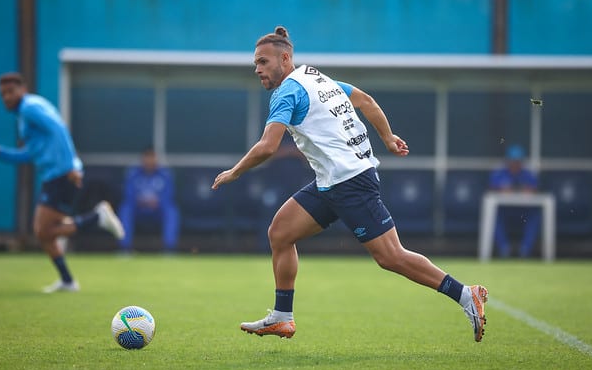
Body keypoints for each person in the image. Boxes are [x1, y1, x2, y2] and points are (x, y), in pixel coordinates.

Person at [212, 26, 489, 342]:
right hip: (332, 182)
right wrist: (387, 138)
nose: (258, 70)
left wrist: (235, 172)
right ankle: (282, 317)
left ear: (285, 58)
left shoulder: (287, 91)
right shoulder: (318, 79)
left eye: (263, 62)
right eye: (256, 64)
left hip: (351, 182)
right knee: (280, 233)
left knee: (391, 257)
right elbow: (366, 101)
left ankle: (467, 294)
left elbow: (268, 146)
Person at [0, 72, 125, 293]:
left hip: (62, 174)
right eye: (3, 94)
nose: (6, 97)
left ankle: (96, 218)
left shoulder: (30, 107)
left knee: (43, 231)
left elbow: (59, 130)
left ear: (23, 89)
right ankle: (68, 279)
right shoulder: (24, 115)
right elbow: (29, 154)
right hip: (54, 175)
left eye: (10, 92)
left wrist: (71, 167)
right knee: (44, 232)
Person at [118, 148, 179, 253]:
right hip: (139, 210)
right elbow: (128, 195)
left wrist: (157, 201)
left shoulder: (165, 174)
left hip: (157, 210)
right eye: (147, 158)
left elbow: (169, 195)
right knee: (125, 209)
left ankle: (169, 249)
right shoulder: (133, 174)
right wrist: (141, 201)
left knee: (171, 211)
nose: (150, 161)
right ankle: (125, 248)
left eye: (152, 158)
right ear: (143, 159)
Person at [489, 144, 540, 258]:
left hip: (523, 212)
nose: (515, 165)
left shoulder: (527, 174)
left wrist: (524, 190)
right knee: (495, 216)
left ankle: (525, 250)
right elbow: (492, 189)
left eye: (518, 162)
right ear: (508, 161)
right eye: (512, 161)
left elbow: (534, 188)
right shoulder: (500, 173)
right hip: (505, 211)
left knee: (534, 216)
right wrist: (501, 189)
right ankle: (504, 249)